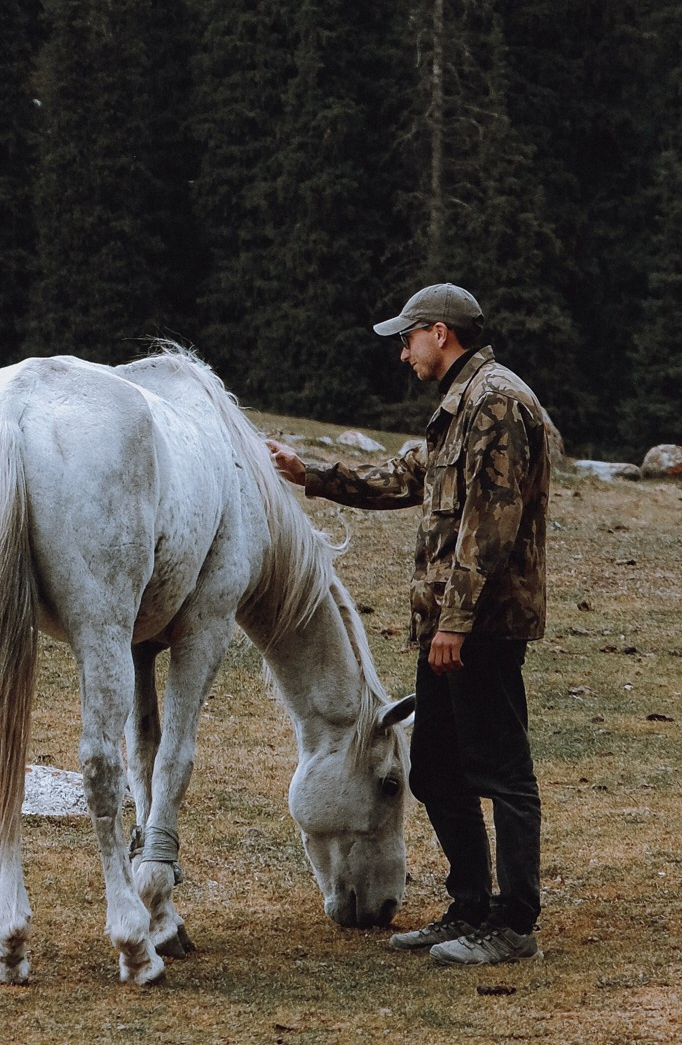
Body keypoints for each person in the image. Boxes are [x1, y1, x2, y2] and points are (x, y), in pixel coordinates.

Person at [269, 282, 550, 969]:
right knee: (434, 772)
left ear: (439, 333)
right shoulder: (458, 407)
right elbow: (407, 478)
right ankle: (470, 906)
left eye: (408, 338)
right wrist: (312, 475)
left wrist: (456, 623)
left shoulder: (497, 404)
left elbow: (491, 530)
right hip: (445, 629)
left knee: (502, 773)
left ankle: (514, 924)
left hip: (477, 627)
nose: (403, 353)